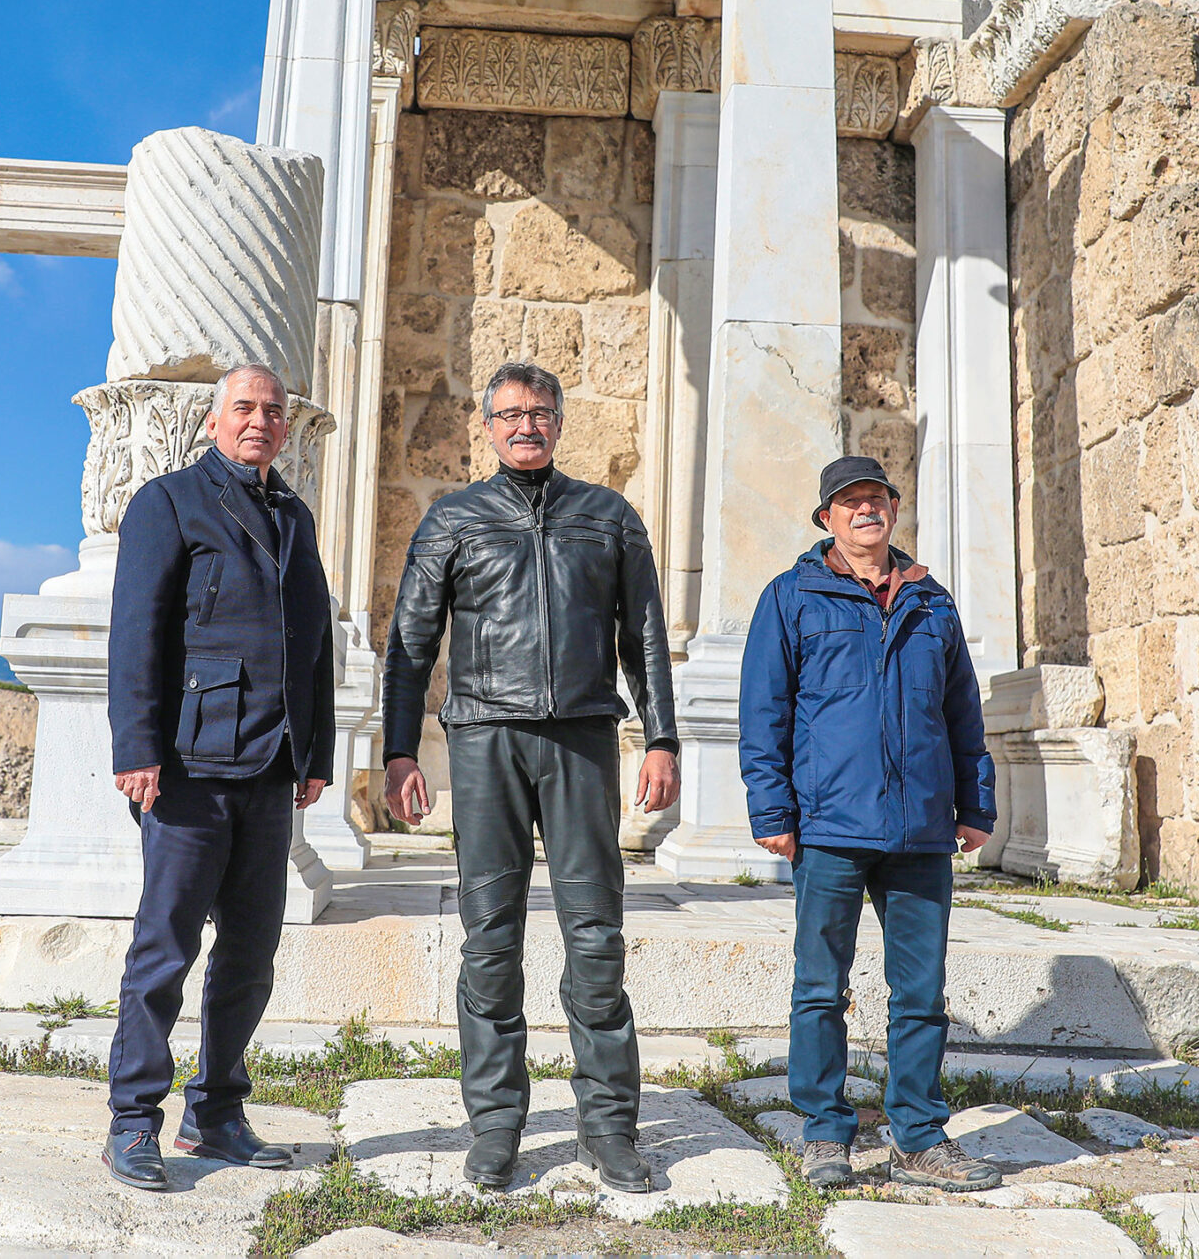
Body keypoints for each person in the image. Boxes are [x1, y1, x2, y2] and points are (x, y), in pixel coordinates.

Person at [382, 361, 681, 1193]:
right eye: (510, 413)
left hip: (584, 739)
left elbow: (645, 637)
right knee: (490, 941)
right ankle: (497, 1125)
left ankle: (610, 1125)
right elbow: (410, 643)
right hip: (484, 741)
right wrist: (399, 750)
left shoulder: (609, 518)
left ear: (559, 421)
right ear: (487, 425)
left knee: (595, 938)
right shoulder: (452, 519)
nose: (526, 425)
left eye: (540, 412)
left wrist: (663, 739)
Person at [100, 363, 335, 1191]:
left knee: (252, 951)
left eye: (273, 411)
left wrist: (317, 755)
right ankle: (134, 1121)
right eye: (244, 408)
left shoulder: (295, 514)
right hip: (189, 764)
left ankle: (218, 1112)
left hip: (271, 766)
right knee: (166, 946)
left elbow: (315, 642)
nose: (260, 421)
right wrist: (136, 746)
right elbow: (136, 631)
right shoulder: (168, 502)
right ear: (213, 421)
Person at [739, 454, 1000, 1192]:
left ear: (892, 509)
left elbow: (962, 713)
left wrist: (974, 805)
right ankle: (824, 1133)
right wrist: (772, 809)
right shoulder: (791, 598)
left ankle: (918, 1135)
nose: (865, 511)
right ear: (825, 517)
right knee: (821, 987)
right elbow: (764, 714)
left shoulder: (932, 601)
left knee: (921, 993)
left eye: (877, 499)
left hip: (920, 829)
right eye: (849, 501)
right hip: (828, 825)